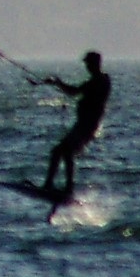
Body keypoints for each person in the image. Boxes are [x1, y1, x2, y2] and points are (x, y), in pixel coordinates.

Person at [31, 50, 113, 218]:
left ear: (95, 63)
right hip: (83, 124)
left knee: (64, 151)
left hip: (87, 125)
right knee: (61, 151)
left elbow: (74, 92)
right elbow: (75, 92)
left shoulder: (101, 80)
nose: (86, 66)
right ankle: (54, 185)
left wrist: (57, 83)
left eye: (88, 63)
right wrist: (56, 83)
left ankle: (63, 187)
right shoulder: (96, 81)